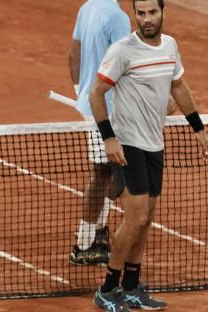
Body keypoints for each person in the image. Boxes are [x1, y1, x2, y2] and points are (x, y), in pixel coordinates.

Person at [90, 0, 208, 312]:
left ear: (162, 12)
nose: (146, 19)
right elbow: (96, 93)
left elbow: (179, 85)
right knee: (135, 217)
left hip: (154, 144)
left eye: (152, 13)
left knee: (147, 218)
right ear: (136, 15)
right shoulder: (122, 51)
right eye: (140, 13)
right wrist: (109, 137)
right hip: (128, 144)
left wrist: (197, 126)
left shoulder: (170, 46)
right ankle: (108, 289)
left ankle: (131, 285)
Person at [67, 0, 131, 266]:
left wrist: (80, 93)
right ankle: (84, 243)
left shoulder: (88, 7)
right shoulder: (118, 17)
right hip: (109, 108)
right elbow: (128, 65)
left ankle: (98, 233)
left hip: (93, 104)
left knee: (106, 170)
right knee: (108, 171)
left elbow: (73, 54)